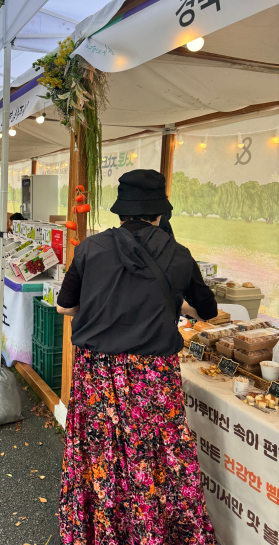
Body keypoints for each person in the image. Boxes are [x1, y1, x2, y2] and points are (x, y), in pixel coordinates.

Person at [57, 169, 218, 545]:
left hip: (98, 375)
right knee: (155, 457)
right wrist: (173, 301)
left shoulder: (90, 249)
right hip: (154, 378)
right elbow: (206, 311)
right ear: (160, 212)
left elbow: (65, 307)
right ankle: (151, 533)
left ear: (121, 210)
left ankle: (102, 533)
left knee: (101, 452)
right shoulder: (179, 255)